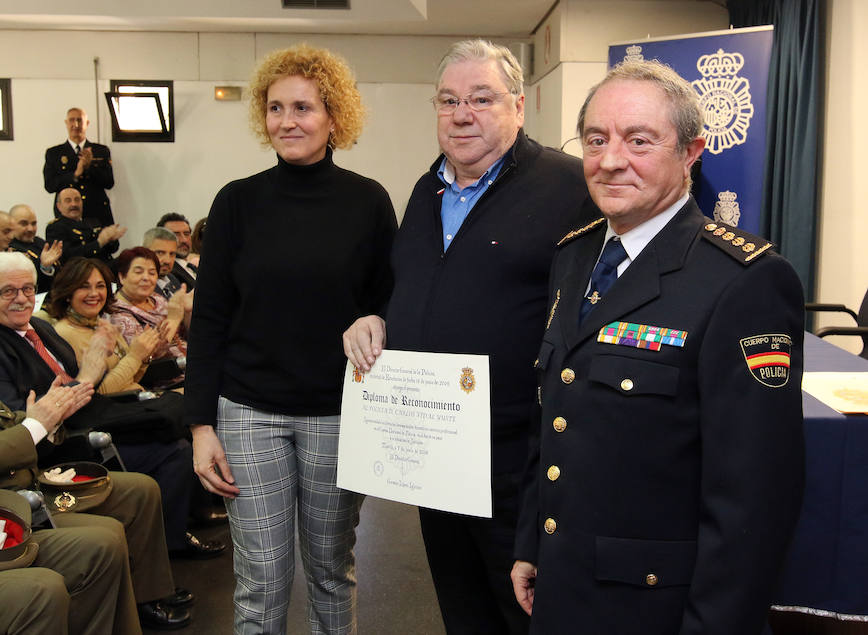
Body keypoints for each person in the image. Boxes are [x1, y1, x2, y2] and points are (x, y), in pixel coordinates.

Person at [510, 60, 805, 634]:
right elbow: (551, 420)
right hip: (565, 586)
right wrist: (532, 542)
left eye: (639, 140)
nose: (611, 160)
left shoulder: (744, 281)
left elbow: (755, 500)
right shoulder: (575, 255)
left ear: (691, 152)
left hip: (659, 609)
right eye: (596, 140)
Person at [342, 39, 597, 635]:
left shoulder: (569, 187)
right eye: (449, 100)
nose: (463, 114)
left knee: (527, 612)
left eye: (482, 99)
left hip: (519, 459)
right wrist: (377, 317)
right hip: (436, 455)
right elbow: (416, 284)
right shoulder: (426, 191)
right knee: (463, 610)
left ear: (519, 105)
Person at [186, 44, 396, 634]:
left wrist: (378, 319)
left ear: (334, 117)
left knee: (332, 569)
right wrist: (201, 426)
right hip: (248, 412)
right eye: (275, 108)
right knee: (261, 578)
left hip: (339, 414)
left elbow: (390, 299)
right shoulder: (236, 202)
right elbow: (209, 320)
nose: (287, 121)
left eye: (303, 107)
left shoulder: (368, 201)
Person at [0, 252, 223, 568]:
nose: (22, 299)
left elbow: (84, 383)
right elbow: (22, 419)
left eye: (28, 290)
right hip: (62, 443)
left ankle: (171, 538)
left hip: (91, 414)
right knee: (173, 451)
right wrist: (90, 375)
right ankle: (167, 547)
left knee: (180, 422)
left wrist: (127, 360)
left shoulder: (37, 327)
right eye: (9, 291)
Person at [0, 365, 190, 631]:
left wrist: (50, 416)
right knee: (102, 541)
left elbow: (4, 422)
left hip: (28, 479)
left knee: (140, 490)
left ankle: (147, 595)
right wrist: (33, 427)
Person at [49, 257, 159, 394]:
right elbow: (99, 393)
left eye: (100, 286)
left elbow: (131, 379)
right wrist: (135, 356)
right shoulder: (63, 334)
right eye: (84, 287)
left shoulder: (103, 325)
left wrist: (145, 356)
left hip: (136, 399)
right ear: (68, 294)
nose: (94, 294)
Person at [109, 247, 190, 378]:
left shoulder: (156, 298)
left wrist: (187, 312)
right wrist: (173, 319)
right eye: (138, 272)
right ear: (122, 277)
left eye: (152, 273)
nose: (146, 278)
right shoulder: (118, 314)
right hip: (168, 377)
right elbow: (145, 360)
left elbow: (182, 334)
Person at [44, 107, 115, 227]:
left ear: (87, 123)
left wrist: (89, 167)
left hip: (97, 213)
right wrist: (75, 175)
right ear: (66, 123)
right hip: (68, 216)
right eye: (71, 120)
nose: (76, 124)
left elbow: (109, 183)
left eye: (79, 120)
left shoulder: (100, 150)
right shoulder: (54, 153)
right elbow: (50, 186)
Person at [45, 187, 126, 264]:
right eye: (68, 201)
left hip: (104, 266)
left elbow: (112, 250)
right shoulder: (55, 228)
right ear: (59, 206)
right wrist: (98, 243)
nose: (74, 204)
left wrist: (110, 239)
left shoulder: (92, 222)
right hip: (81, 272)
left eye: (77, 200)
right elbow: (66, 256)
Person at [9, 203, 63, 293]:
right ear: (11, 225)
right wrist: (45, 267)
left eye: (33, 224)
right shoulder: (10, 250)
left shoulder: (39, 242)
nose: (30, 229)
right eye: (24, 224)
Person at [157, 213, 198, 290]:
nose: (184, 240)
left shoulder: (193, 267)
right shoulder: (166, 270)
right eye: (176, 235)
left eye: (186, 234)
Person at [142, 227, 184, 298]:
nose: (167, 260)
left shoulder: (172, 279)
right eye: (160, 253)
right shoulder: (139, 286)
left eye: (172, 254)